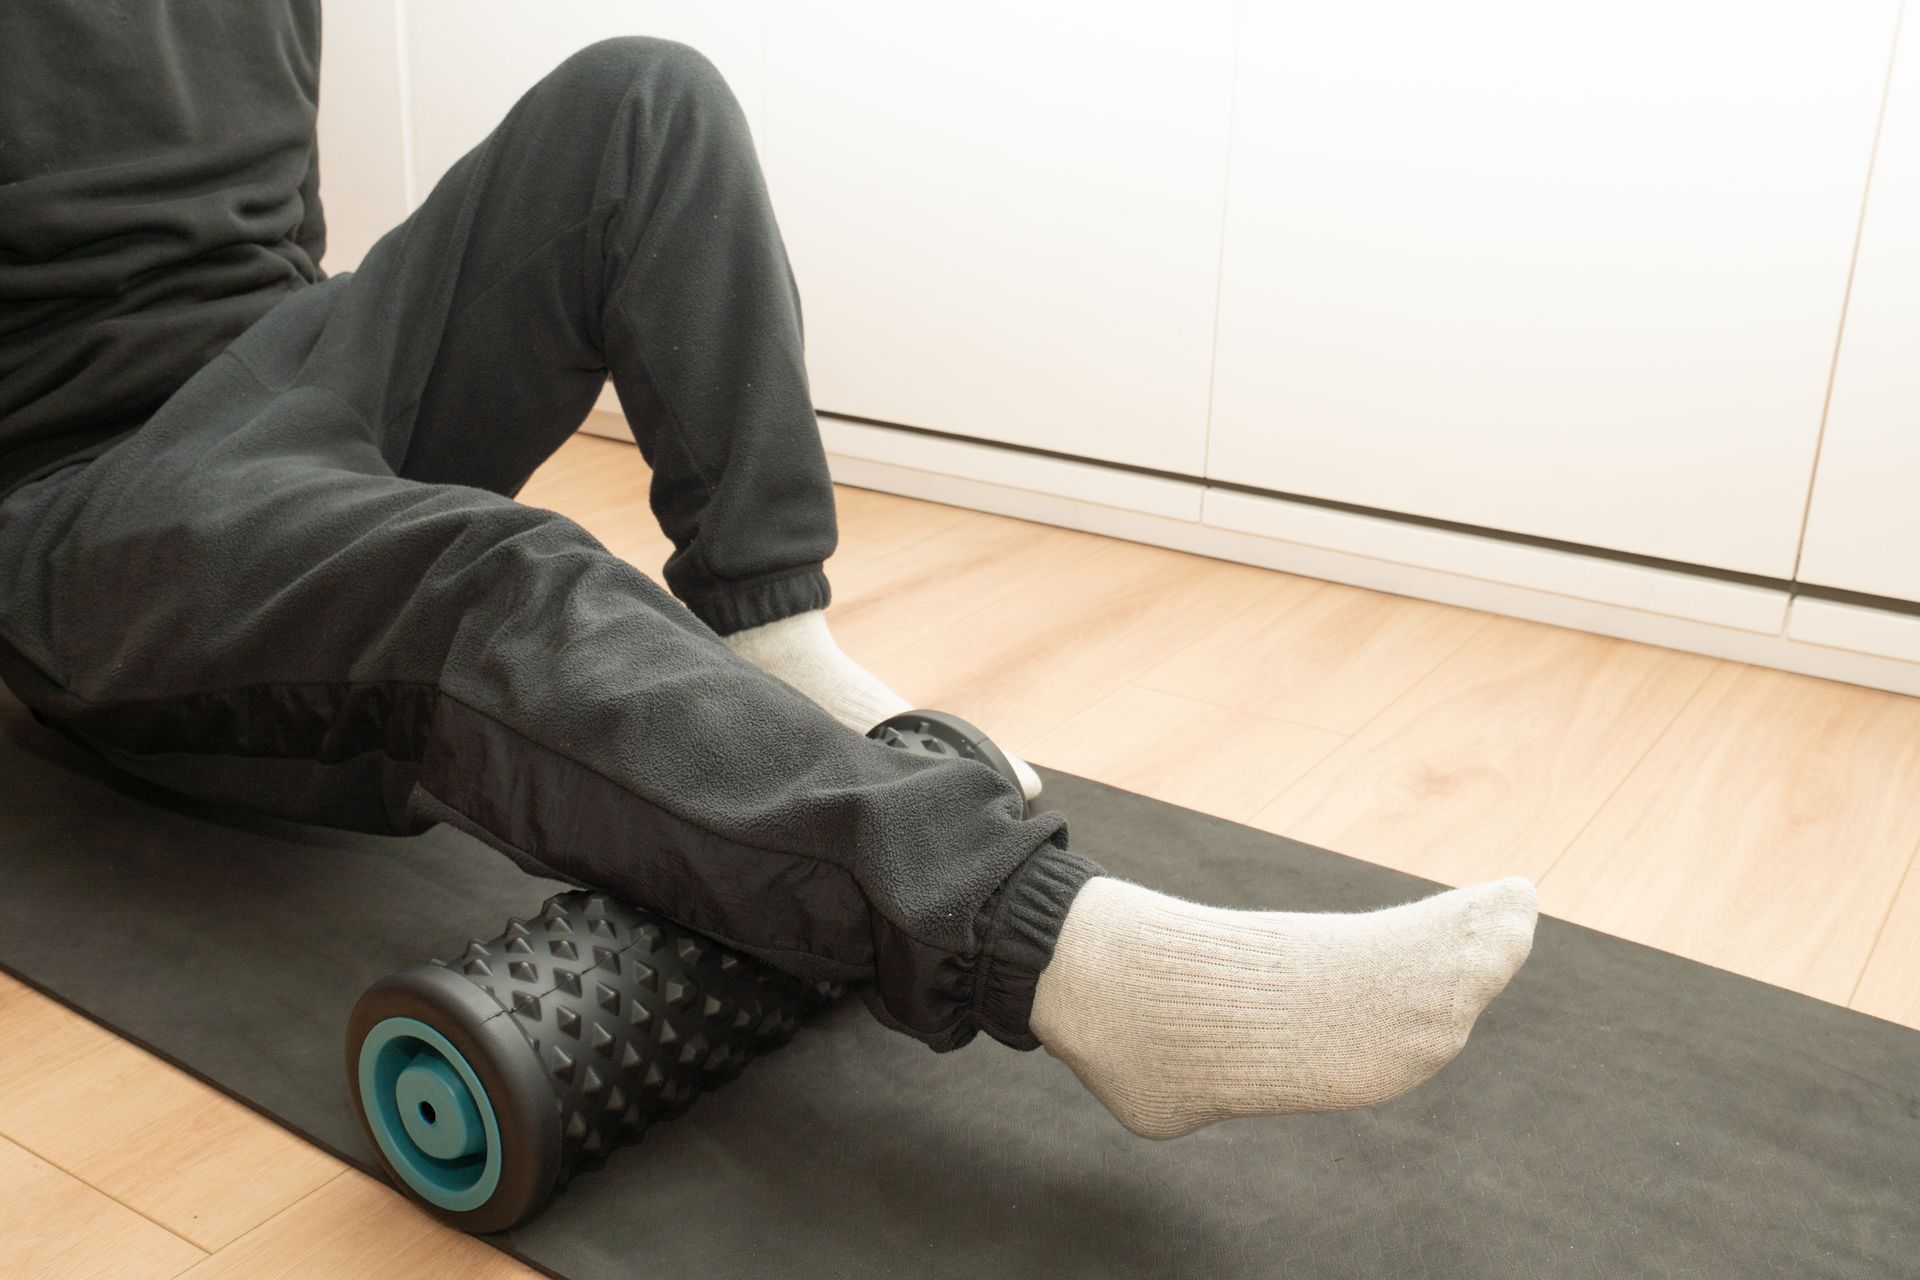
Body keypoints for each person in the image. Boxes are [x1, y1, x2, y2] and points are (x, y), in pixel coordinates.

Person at [0, 3, 1537, 1141]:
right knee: (483, 572)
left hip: (286, 364)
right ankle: (1057, 952)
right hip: (72, 493)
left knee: (642, 101)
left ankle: (777, 637)